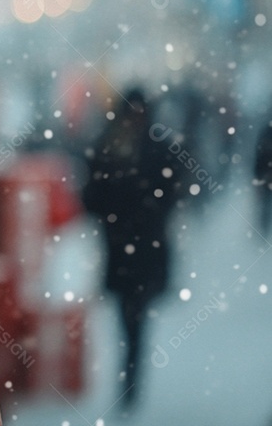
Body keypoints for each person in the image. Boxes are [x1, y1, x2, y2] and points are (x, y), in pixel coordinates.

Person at [82, 88, 179, 411]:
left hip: (136, 248)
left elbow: (171, 193)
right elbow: (92, 197)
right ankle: (130, 379)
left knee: (134, 319)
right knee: (130, 318)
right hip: (128, 248)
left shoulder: (122, 146)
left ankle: (130, 380)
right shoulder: (116, 146)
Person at [254, 113, 272, 238]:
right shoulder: (266, 131)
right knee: (265, 206)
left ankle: (263, 230)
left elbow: (259, 156)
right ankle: (263, 231)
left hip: (266, 175)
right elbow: (259, 156)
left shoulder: (265, 131)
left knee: (265, 206)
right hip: (267, 175)